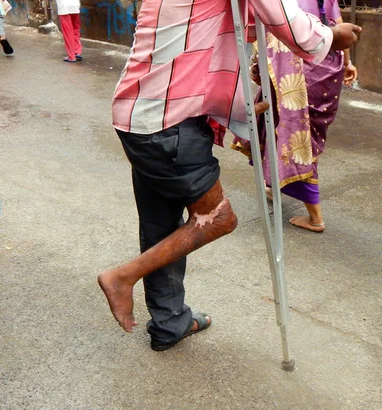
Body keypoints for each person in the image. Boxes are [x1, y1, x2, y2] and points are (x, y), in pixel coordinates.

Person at [99, 0, 360, 351]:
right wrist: (332, 36)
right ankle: (122, 278)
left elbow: (208, 35)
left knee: (161, 224)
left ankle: (169, 322)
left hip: (139, 115)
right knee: (219, 218)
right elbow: (293, 27)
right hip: (169, 124)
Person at [232, 0, 358, 233]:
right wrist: (349, 63)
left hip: (299, 71)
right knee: (288, 130)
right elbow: (339, 27)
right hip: (328, 67)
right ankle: (278, 181)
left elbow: (273, 32)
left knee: (298, 140)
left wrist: (257, 68)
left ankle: (315, 218)